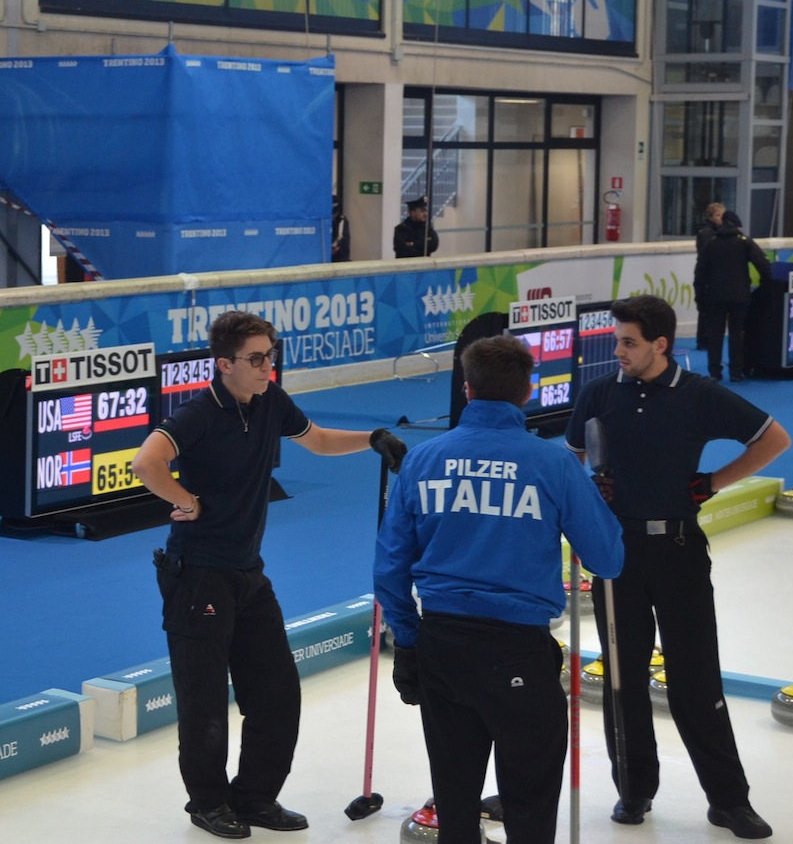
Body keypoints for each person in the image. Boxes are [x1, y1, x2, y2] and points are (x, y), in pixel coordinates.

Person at [131, 311, 406, 840]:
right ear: (224, 364)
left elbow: (319, 440)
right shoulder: (198, 413)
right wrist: (187, 500)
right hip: (198, 578)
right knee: (205, 701)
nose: (267, 367)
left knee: (277, 692)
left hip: (248, 574)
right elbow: (147, 463)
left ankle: (255, 797)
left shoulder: (270, 402)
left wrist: (371, 437)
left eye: (271, 357)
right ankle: (209, 803)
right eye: (256, 359)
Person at [374, 334, 625, 844]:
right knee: (529, 806)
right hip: (518, 653)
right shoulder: (554, 464)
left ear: (466, 390)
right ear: (527, 390)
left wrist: (408, 640)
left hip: (442, 646)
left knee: (454, 802)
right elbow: (607, 560)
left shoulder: (423, 461)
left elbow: (389, 567)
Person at [565, 295, 790, 841]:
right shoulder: (597, 394)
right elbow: (570, 459)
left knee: (695, 677)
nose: (617, 350)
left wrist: (712, 483)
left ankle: (728, 801)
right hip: (616, 557)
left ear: (660, 345)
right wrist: (587, 501)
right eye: (616, 340)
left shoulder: (698, 395)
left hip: (680, 552)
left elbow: (774, 439)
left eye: (628, 342)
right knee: (624, 680)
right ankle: (634, 789)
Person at [694, 210, 772, 382]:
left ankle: (715, 371)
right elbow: (763, 264)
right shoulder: (744, 242)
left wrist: (700, 298)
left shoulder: (711, 243)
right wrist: (766, 285)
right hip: (740, 296)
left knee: (715, 334)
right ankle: (736, 371)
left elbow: (700, 273)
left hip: (715, 296)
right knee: (737, 333)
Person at [694, 202, 726, 350]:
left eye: (722, 215)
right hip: (706, 274)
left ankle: (709, 338)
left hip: (717, 275)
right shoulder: (705, 233)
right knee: (705, 309)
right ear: (711, 217)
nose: (721, 218)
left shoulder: (724, 232)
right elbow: (704, 255)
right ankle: (702, 340)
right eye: (718, 215)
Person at [331, 195, 350, 262]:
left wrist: (332, 247)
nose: (332, 216)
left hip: (341, 258)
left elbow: (340, 237)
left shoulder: (342, 220)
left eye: (333, 213)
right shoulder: (325, 222)